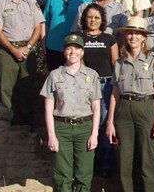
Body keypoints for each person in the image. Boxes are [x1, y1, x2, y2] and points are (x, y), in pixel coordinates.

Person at [106, 17, 154, 192]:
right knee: (124, 161)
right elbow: (115, 93)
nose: (133, 37)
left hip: (146, 107)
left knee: (148, 159)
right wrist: (110, 122)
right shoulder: (120, 62)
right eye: (130, 33)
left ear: (143, 37)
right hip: (124, 110)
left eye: (137, 33)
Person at [40, 34, 101, 192]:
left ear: (82, 52)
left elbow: (96, 107)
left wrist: (94, 134)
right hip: (62, 128)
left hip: (85, 127)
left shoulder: (92, 75)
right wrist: (52, 136)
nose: (72, 51)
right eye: (69, 48)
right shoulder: (54, 75)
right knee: (63, 176)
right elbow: (48, 108)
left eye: (76, 48)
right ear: (64, 51)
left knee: (84, 174)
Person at [0, 0, 45, 125]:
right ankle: (6, 121)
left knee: (28, 86)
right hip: (8, 50)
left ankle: (26, 123)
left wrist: (28, 47)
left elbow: (38, 27)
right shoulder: (0, 4)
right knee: (6, 87)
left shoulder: (31, 3)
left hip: (28, 49)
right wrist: (13, 50)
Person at [79, 3, 118, 178]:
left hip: (106, 85)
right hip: (86, 85)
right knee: (87, 124)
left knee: (104, 124)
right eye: (90, 17)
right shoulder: (79, 38)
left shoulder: (109, 39)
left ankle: (105, 164)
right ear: (84, 19)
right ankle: (89, 162)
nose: (93, 20)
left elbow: (115, 62)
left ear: (102, 20)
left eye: (96, 17)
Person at [42, 0, 92, 71]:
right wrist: (43, 42)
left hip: (75, 46)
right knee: (54, 77)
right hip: (54, 45)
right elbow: (46, 22)